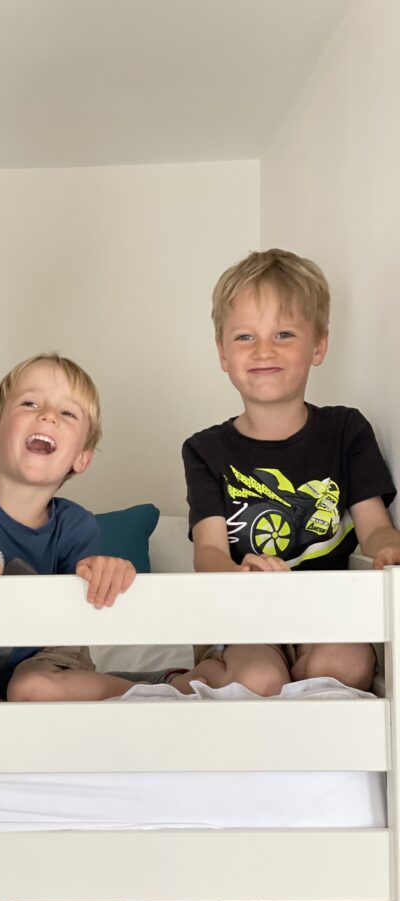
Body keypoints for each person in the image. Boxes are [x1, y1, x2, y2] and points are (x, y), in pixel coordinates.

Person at [176, 248, 400, 695]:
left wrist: (389, 548)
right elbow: (209, 553)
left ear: (318, 345)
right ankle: (189, 678)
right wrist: (239, 574)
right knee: (259, 678)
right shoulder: (205, 449)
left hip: (321, 615)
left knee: (349, 664)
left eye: (283, 333)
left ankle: (292, 686)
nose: (263, 350)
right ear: (222, 352)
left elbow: (374, 527)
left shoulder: (346, 430)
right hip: (241, 619)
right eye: (244, 337)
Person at [0, 353, 150, 702]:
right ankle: (12, 719)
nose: (47, 416)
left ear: (81, 458)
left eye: (67, 413)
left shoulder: (76, 526)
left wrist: (107, 572)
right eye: (30, 403)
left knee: (34, 687)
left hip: (40, 667)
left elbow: (75, 622)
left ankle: (153, 688)